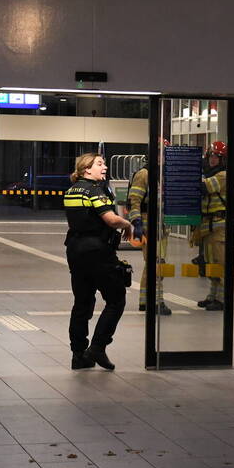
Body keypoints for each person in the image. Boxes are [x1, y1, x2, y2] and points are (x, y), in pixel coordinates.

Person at [64, 152, 133, 370]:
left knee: (82, 303)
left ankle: (78, 355)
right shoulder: (94, 190)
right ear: (87, 169)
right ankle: (97, 348)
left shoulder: (71, 190)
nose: (104, 167)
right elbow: (110, 219)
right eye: (99, 164)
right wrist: (128, 224)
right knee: (116, 299)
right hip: (97, 252)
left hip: (75, 251)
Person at [127, 152, 171, 316]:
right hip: (148, 224)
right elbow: (134, 200)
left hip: (161, 225)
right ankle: (156, 301)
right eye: (159, 154)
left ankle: (146, 301)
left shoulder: (163, 175)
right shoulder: (144, 174)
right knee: (156, 263)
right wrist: (137, 223)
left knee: (155, 263)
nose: (162, 158)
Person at [194, 141, 227, 311]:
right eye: (211, 156)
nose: (213, 159)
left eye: (217, 157)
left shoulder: (223, 176)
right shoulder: (210, 174)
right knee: (210, 262)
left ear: (223, 160)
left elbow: (204, 188)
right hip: (209, 226)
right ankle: (212, 296)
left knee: (219, 263)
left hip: (219, 226)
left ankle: (221, 299)